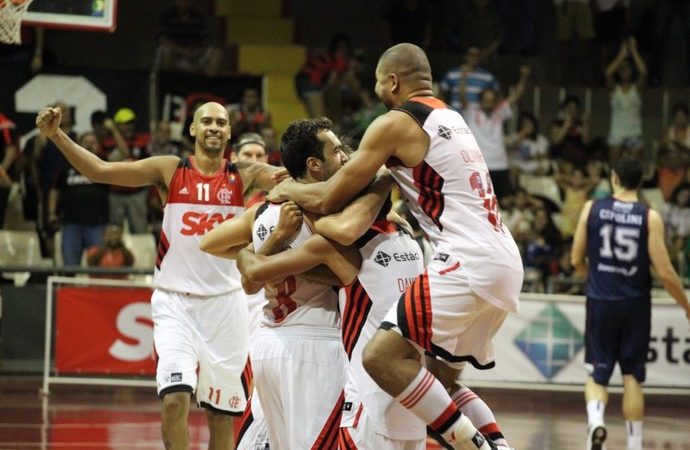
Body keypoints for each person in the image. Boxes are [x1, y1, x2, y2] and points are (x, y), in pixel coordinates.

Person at [268, 43, 523, 450]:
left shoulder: (396, 122)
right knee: (433, 379)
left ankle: (472, 445)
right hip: (504, 260)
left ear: (392, 81)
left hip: (466, 260)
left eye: (378, 86)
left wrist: (287, 190)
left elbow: (329, 198)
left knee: (380, 358)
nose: (377, 95)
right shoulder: (452, 118)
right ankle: (497, 444)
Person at [35, 101, 280, 450]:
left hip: (226, 306)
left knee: (222, 416)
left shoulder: (245, 172)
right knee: (174, 400)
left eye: (221, 122)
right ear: (193, 130)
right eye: (206, 121)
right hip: (175, 302)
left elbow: (298, 181)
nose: (213, 127)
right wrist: (56, 135)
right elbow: (101, 169)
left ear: (229, 132)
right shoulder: (171, 169)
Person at [201, 117, 350, 449]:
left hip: (269, 342)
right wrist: (297, 261)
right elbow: (349, 274)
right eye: (337, 151)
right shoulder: (328, 213)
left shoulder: (265, 210)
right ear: (313, 165)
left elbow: (214, 247)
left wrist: (265, 258)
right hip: (315, 343)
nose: (343, 159)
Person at [571, 156, 690, 450]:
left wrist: (595, 279)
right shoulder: (649, 217)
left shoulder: (592, 208)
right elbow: (665, 272)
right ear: (640, 182)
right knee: (632, 377)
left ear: (614, 178)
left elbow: (575, 259)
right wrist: (687, 305)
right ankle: (635, 444)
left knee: (597, 373)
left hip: (600, 301)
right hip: (635, 304)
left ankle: (596, 422)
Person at [48, 131, 110, 266]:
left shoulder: (105, 165)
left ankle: (97, 288)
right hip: (71, 223)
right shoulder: (66, 165)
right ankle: (70, 287)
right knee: (70, 263)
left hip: (97, 224)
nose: (89, 146)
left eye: (92, 142)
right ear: (78, 145)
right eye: (85, 143)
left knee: (98, 265)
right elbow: (55, 190)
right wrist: (52, 212)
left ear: (98, 145)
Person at [604, 36, 647, 164]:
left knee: (636, 169)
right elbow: (607, 73)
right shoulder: (614, 90)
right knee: (614, 170)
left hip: (634, 133)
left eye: (627, 68)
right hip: (616, 134)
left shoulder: (637, 89)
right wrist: (621, 55)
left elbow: (644, 72)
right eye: (621, 68)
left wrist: (634, 51)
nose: (624, 70)